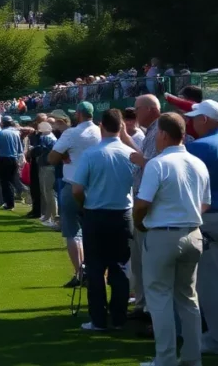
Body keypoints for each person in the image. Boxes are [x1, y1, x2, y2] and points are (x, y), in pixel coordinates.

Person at [133, 112, 210, 366]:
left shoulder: (158, 163)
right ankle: (192, 358)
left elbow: (142, 203)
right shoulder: (198, 163)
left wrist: (139, 223)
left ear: (164, 134)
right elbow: (205, 204)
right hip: (193, 233)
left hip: (163, 234)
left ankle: (165, 359)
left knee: (160, 298)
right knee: (188, 299)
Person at [73, 109, 136, 332]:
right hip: (122, 215)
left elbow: (77, 189)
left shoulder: (92, 154)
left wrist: (83, 206)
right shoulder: (130, 152)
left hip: (96, 214)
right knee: (119, 268)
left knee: (96, 268)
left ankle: (98, 319)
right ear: (122, 127)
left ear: (102, 126)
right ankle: (119, 318)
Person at [182, 100, 218, 355]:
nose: (192, 122)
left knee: (209, 283)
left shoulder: (197, 147)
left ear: (206, 120)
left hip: (211, 220)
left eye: (196, 118)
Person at [49, 101, 102, 288]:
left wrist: (63, 155)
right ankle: (93, 272)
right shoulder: (100, 132)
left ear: (78, 114)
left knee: (72, 231)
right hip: (97, 188)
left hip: (73, 186)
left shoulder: (71, 133)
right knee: (93, 232)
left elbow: (51, 157)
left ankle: (80, 273)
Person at [130, 94, 163, 315]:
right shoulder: (151, 130)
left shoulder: (158, 129)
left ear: (151, 109)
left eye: (137, 108)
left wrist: (140, 160)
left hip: (150, 207)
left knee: (149, 264)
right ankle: (144, 305)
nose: (135, 112)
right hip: (146, 202)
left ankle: (150, 311)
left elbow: (156, 167)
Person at [0, 116, 25, 210]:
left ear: (3, 123)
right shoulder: (16, 133)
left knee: (5, 182)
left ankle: (9, 203)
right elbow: (20, 149)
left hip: (4, 159)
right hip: (14, 159)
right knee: (11, 181)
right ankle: (11, 201)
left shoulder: (1, 133)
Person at [34, 122, 59, 227]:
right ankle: (48, 216)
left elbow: (40, 150)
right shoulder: (49, 137)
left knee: (49, 193)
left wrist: (33, 149)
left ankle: (55, 218)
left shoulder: (48, 138)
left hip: (48, 167)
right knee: (46, 192)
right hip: (47, 166)